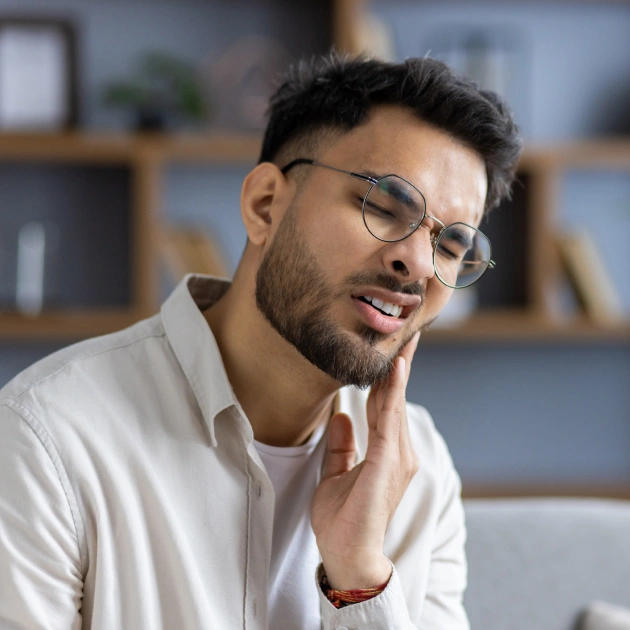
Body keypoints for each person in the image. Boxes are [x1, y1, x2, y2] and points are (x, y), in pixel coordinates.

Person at [0, 53, 521, 629]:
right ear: (264, 205)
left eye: (451, 245)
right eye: (383, 205)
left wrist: (361, 580)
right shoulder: (46, 439)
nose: (418, 263)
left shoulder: (420, 472)